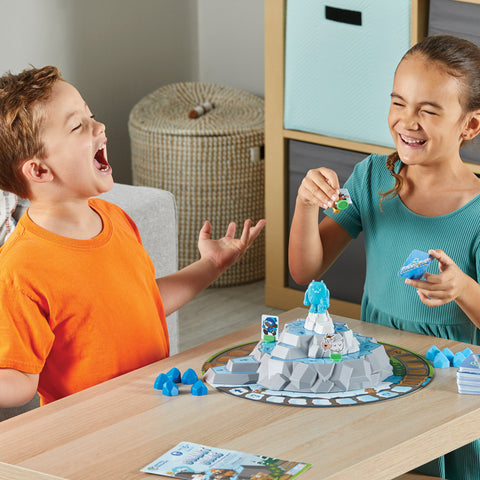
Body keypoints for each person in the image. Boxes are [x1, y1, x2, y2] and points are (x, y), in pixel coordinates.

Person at [0, 66, 265, 409]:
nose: (99, 127)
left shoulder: (115, 219)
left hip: (156, 404)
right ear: (39, 170)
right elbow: (20, 379)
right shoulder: (20, 269)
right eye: (78, 126)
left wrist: (210, 265)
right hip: (89, 426)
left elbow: (143, 303)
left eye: (90, 115)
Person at [289, 35, 480, 480]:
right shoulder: (371, 177)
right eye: (398, 103)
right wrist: (304, 205)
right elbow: (305, 270)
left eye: (428, 110)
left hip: (450, 391)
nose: (407, 121)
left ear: (470, 125)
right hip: (378, 369)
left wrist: (462, 287)